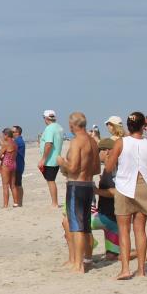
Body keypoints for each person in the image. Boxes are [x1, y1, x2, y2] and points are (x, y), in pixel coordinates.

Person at [104, 111, 147, 279]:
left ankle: (125, 269)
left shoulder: (121, 142)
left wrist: (107, 156)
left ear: (128, 126)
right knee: (140, 230)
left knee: (124, 230)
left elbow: (109, 168)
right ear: (143, 126)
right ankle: (141, 270)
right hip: (144, 186)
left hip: (125, 187)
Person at [57, 112, 99, 273]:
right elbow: (97, 168)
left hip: (76, 186)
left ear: (72, 125)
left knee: (76, 226)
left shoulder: (76, 141)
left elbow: (73, 168)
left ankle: (78, 264)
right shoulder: (92, 141)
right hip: (88, 186)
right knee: (86, 226)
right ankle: (88, 260)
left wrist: (62, 162)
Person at [92, 138, 120, 261]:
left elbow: (117, 192)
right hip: (110, 218)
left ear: (107, 151)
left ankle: (89, 243)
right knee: (112, 256)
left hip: (108, 218)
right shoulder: (108, 168)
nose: (97, 154)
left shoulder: (114, 168)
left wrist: (96, 191)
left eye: (99, 151)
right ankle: (144, 252)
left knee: (75, 222)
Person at [38, 110, 64, 208]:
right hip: (56, 158)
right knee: (50, 180)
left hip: (50, 160)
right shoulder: (59, 127)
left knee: (50, 180)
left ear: (45, 118)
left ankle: (54, 203)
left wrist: (43, 159)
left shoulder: (49, 128)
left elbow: (49, 144)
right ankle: (54, 202)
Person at [0, 128, 18, 208]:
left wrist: (1, 159)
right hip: (13, 164)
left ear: (6, 135)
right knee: (13, 185)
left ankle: (5, 205)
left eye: (3, 135)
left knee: (5, 186)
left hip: (6, 165)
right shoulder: (15, 144)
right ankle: (15, 203)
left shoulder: (6, 144)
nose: (3, 137)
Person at [12, 125, 25, 206]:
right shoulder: (18, 140)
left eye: (12, 132)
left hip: (18, 165)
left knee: (17, 185)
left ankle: (19, 203)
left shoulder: (18, 141)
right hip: (19, 165)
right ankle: (19, 202)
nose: (11, 133)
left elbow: (10, 149)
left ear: (17, 133)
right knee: (17, 184)